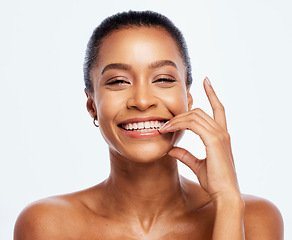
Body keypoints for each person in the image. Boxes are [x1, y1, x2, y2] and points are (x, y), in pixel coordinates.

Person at [14, 10, 283, 239]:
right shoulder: (48, 225)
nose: (142, 101)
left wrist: (227, 200)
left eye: (163, 79)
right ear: (92, 105)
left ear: (187, 100)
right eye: (118, 81)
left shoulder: (255, 219)